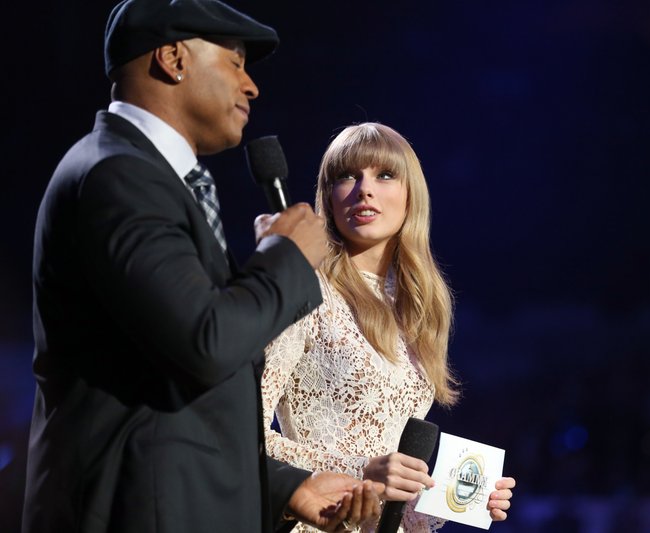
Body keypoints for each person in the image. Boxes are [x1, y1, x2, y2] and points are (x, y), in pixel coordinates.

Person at [22, 1, 383, 532]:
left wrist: (288, 485)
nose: (251, 86)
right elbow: (204, 343)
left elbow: (179, 392)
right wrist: (285, 258)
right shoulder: (117, 176)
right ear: (173, 59)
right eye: (235, 63)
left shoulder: (152, 180)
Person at [260, 123, 516, 532]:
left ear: (410, 194)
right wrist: (361, 470)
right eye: (347, 175)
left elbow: (396, 492)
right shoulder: (305, 288)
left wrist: (458, 494)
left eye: (384, 175)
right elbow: (244, 437)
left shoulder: (421, 304)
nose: (364, 189)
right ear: (327, 195)